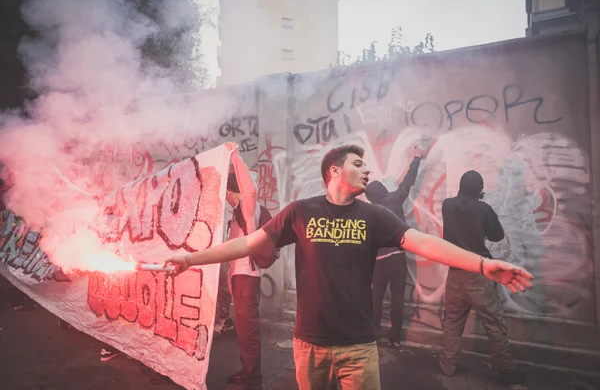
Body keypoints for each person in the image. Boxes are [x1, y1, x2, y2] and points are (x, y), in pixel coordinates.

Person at [164, 144, 533, 390]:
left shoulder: (375, 215)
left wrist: (483, 264)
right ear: (335, 171)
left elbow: (424, 242)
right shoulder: (299, 211)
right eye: (358, 164)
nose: (367, 170)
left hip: (359, 348)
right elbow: (247, 243)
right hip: (309, 346)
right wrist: (189, 258)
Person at [438, 170, 523, 385]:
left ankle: (448, 366)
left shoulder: (447, 205)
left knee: (452, 324)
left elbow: (460, 211)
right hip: (478, 273)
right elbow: (497, 235)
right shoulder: (483, 208)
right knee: (494, 324)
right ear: (480, 189)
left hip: (455, 273)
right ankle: (506, 370)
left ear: (460, 185)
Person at [365, 144, 425, 348]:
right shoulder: (395, 198)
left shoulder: (368, 212)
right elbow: (409, 181)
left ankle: (374, 333)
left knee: (376, 297)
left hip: (379, 261)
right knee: (398, 297)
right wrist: (417, 158)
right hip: (398, 258)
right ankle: (396, 337)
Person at [221, 167, 265, 390]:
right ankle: (248, 372)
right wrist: (230, 277)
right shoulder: (238, 213)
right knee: (243, 329)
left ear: (230, 191)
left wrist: (235, 158)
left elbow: (249, 191)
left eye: (226, 193)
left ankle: (252, 378)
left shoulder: (248, 209)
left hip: (247, 279)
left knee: (247, 330)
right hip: (241, 278)